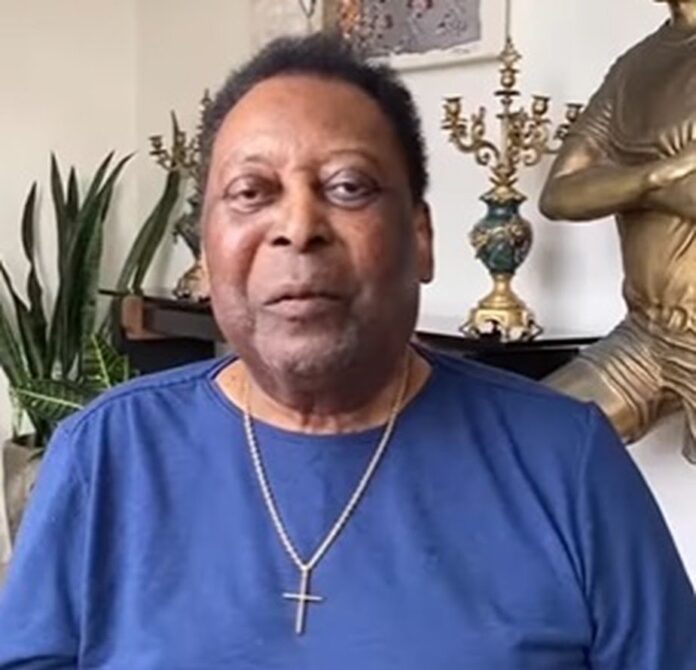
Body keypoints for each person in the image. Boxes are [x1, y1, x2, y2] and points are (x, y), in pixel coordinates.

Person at [0, 34, 694, 669]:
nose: (298, 227)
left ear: (421, 238)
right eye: (251, 192)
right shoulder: (107, 454)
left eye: (348, 187)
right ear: (205, 252)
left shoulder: (567, 459)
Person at [540, 0, 696, 462]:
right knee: (522, 438)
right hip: (646, 334)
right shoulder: (634, 66)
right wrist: (654, 178)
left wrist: (620, 185)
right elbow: (559, 195)